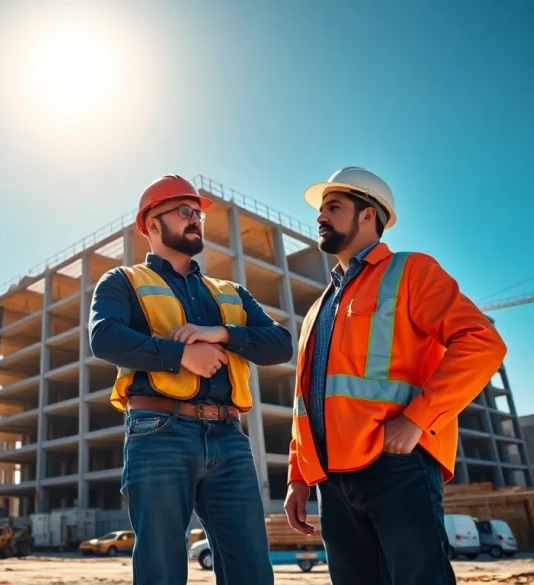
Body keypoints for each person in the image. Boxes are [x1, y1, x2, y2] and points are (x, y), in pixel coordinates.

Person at [283, 167, 508, 585]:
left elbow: (482, 343)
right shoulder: (318, 308)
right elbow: (306, 398)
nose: (321, 217)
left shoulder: (411, 272)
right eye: (321, 209)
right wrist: (299, 476)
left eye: (333, 207)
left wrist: (419, 418)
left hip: (396, 466)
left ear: (368, 215)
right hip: (330, 480)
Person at [89, 174, 293, 585]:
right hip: (158, 432)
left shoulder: (231, 291)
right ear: (151, 224)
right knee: (161, 570)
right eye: (183, 211)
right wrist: (184, 355)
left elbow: (280, 345)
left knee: (251, 570)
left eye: (197, 212)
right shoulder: (122, 282)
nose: (195, 219)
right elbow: (105, 337)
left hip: (229, 437)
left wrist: (225, 334)